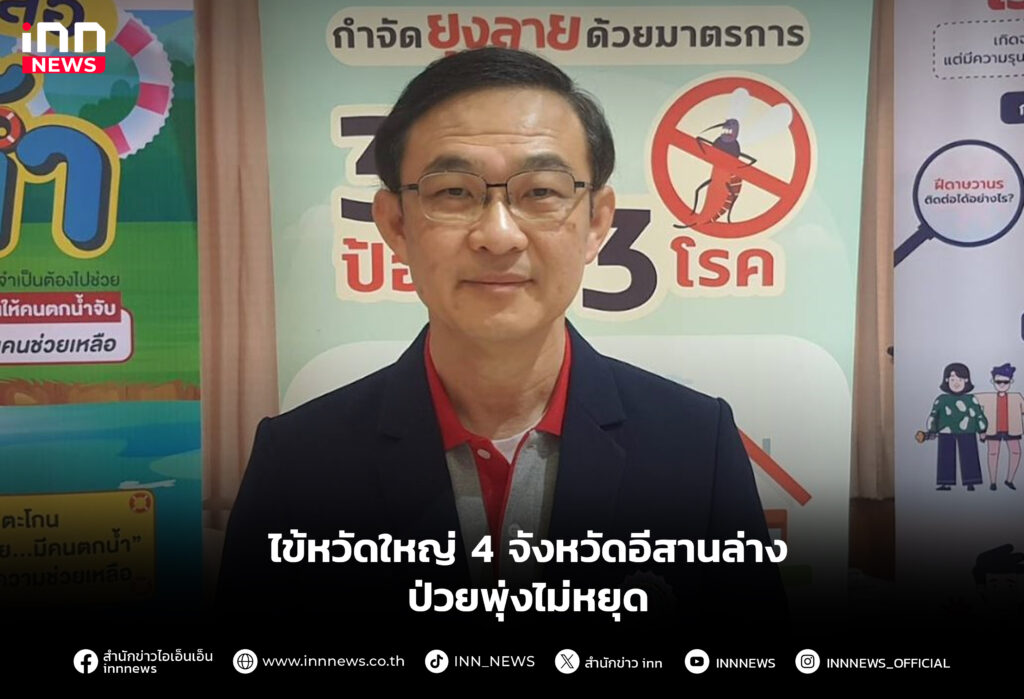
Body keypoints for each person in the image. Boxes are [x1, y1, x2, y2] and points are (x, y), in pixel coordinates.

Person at [218, 47, 785, 627]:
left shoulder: (696, 447)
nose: (498, 234)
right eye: (453, 192)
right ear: (395, 224)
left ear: (597, 223)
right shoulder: (298, 465)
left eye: (540, 192)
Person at [925, 362, 987, 491]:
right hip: (946, 432)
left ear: (966, 381)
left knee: (969, 454)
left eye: (960, 379)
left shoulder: (970, 399)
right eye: (953, 379)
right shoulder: (942, 399)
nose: (956, 383)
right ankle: (945, 482)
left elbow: (978, 414)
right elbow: (934, 414)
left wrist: (982, 429)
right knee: (945, 456)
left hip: (968, 431)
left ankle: (971, 481)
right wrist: (932, 430)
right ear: (947, 381)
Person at [976, 363, 1024, 491]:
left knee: (1016, 452)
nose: (1002, 384)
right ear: (993, 381)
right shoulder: (986, 397)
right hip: (993, 429)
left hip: (1012, 429)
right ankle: (993, 482)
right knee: (993, 453)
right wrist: (980, 429)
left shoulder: (1017, 397)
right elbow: (971, 402)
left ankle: (1010, 480)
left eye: (1005, 382)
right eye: (998, 381)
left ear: (1011, 381)